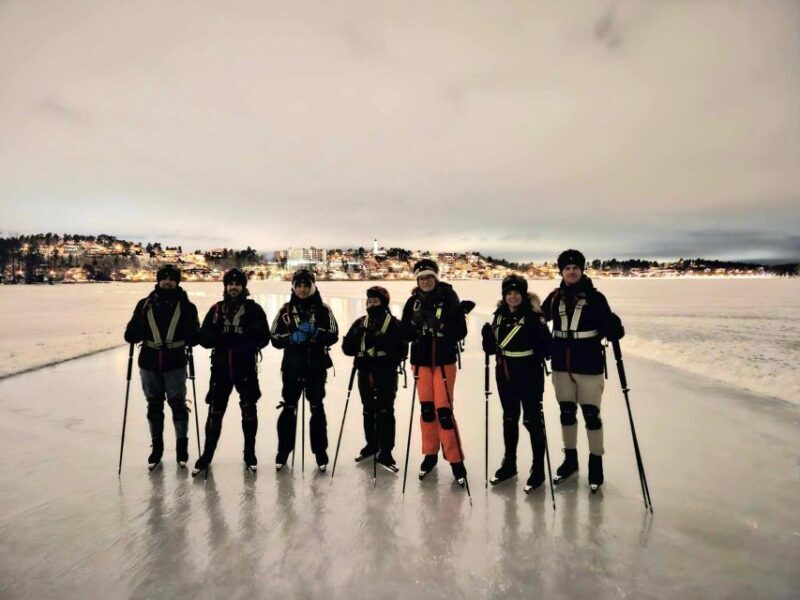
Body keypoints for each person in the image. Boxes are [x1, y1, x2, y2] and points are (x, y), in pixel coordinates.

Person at [541, 249, 625, 492]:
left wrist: (614, 327)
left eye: (575, 268)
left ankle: (596, 463)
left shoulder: (596, 298)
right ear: (561, 272)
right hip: (561, 365)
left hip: (589, 365)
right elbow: (536, 319)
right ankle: (570, 460)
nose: (571, 271)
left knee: (591, 415)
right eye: (567, 268)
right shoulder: (554, 297)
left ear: (582, 270)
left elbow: (611, 329)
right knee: (566, 412)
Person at [192, 268, 270, 476]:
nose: (234, 287)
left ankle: (250, 453)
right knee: (215, 412)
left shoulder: (254, 309)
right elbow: (203, 339)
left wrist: (245, 340)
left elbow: (264, 337)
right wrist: (218, 336)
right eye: (230, 284)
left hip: (246, 368)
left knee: (249, 410)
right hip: (220, 369)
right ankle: (207, 455)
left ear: (243, 286)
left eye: (237, 284)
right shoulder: (216, 309)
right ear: (225, 286)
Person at [124, 264, 199, 470]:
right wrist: (134, 331)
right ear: (158, 281)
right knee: (154, 405)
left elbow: (195, 337)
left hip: (175, 363)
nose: (167, 282)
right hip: (149, 363)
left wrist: (191, 333)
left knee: (178, 405)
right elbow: (130, 334)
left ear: (177, 282)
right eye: (164, 278)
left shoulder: (187, 307)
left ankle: (182, 446)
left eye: (172, 279)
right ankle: (157, 447)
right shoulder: (144, 305)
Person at [400, 259, 469, 486]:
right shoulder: (413, 302)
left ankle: (456, 460)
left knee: (444, 411)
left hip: (443, 361)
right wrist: (414, 324)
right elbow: (405, 334)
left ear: (436, 278)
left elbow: (461, 330)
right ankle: (430, 454)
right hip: (420, 362)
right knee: (427, 410)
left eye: (429, 277)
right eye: (421, 278)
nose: (425, 281)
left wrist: (441, 326)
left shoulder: (448, 298)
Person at [481, 274, 552, 493]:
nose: (513, 296)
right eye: (509, 293)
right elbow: (492, 349)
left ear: (523, 294)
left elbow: (548, 348)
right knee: (509, 418)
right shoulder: (499, 315)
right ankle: (509, 464)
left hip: (529, 373)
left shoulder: (534, 316)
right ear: (504, 295)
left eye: (517, 293)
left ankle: (538, 469)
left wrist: (540, 339)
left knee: (532, 420)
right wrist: (487, 338)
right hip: (505, 373)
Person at [270, 268, 339, 472]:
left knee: (316, 408)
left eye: (306, 285)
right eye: (298, 285)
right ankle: (283, 451)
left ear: (313, 287)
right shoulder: (285, 310)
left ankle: (320, 452)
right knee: (289, 407)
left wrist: (317, 333)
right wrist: (290, 338)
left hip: (316, 366)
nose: (302, 289)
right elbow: (274, 337)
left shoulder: (323, 309)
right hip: (292, 366)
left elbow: (334, 334)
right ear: (293, 287)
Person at [341, 286, 407, 472]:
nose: (371, 304)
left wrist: (383, 349)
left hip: (385, 372)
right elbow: (347, 348)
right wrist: (357, 338)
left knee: (385, 410)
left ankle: (386, 451)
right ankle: (372, 444)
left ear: (384, 303)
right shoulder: (360, 322)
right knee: (368, 409)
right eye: (369, 301)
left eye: (375, 301)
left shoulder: (394, 324)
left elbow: (402, 350)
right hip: (364, 371)